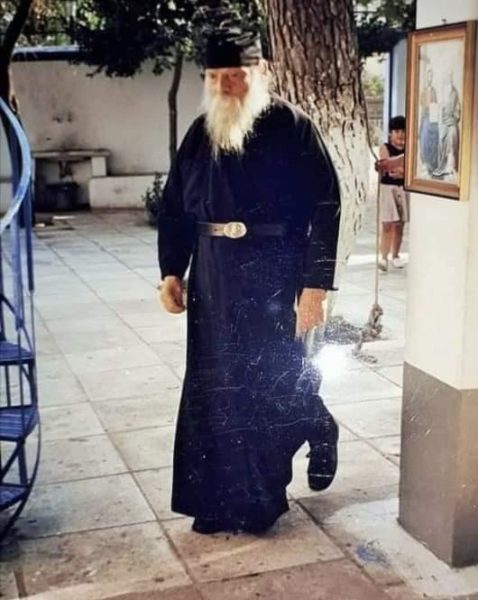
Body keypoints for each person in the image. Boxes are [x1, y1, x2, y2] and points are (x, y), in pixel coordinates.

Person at [157, 28, 341, 535]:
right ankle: (217, 502)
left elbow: (326, 205)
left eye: (235, 76)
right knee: (215, 386)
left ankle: (281, 471)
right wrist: (171, 270)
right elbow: (175, 206)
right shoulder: (200, 132)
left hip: (273, 273)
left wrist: (315, 287)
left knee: (270, 382)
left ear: (258, 73)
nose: (224, 86)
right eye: (215, 77)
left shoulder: (291, 126)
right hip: (213, 274)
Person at [377, 116, 409, 271]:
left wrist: (400, 170)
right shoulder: (385, 147)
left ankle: (395, 255)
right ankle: (383, 257)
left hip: (403, 189)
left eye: (403, 130)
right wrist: (399, 168)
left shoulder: (410, 148)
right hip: (388, 189)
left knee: (400, 225)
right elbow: (387, 167)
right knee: (387, 224)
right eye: (397, 131)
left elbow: (407, 170)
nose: (400, 134)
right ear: (390, 133)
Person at [433, 71, 461, 179]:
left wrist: (453, 116)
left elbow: (457, 109)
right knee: (441, 142)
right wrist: (442, 109)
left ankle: (451, 168)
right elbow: (439, 107)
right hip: (443, 122)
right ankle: (441, 167)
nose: (450, 79)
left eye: (451, 77)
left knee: (452, 143)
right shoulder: (443, 91)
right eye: (449, 77)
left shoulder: (454, 93)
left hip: (451, 122)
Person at [419, 68, 439, 176]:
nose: (429, 78)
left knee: (433, 139)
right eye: (428, 76)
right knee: (424, 140)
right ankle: (425, 163)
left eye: (431, 76)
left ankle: (432, 165)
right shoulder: (423, 91)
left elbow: (435, 105)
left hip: (432, 118)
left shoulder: (434, 91)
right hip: (425, 117)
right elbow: (421, 105)